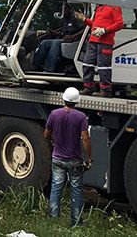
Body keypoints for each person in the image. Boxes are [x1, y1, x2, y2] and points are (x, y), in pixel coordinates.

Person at [44, 87, 92, 227]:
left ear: (63, 98)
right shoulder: (80, 117)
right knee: (76, 190)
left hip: (58, 159)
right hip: (75, 160)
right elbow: (85, 139)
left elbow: (46, 134)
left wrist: (53, 140)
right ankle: (76, 222)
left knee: (56, 187)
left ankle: (53, 219)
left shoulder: (54, 114)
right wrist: (89, 158)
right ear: (77, 101)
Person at [76, 4, 124, 96]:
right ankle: (88, 87)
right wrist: (84, 19)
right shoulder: (99, 7)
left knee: (104, 67)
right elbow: (94, 24)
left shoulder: (114, 6)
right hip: (93, 41)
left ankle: (106, 90)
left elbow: (120, 24)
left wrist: (105, 30)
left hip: (105, 42)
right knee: (87, 63)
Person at [33, 7, 85, 73]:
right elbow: (63, 32)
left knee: (56, 42)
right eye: (60, 10)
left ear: (69, 9)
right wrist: (54, 33)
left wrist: (72, 36)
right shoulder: (65, 20)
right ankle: (35, 66)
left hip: (75, 41)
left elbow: (85, 29)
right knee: (44, 42)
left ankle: (48, 69)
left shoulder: (75, 18)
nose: (62, 12)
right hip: (64, 39)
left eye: (63, 9)